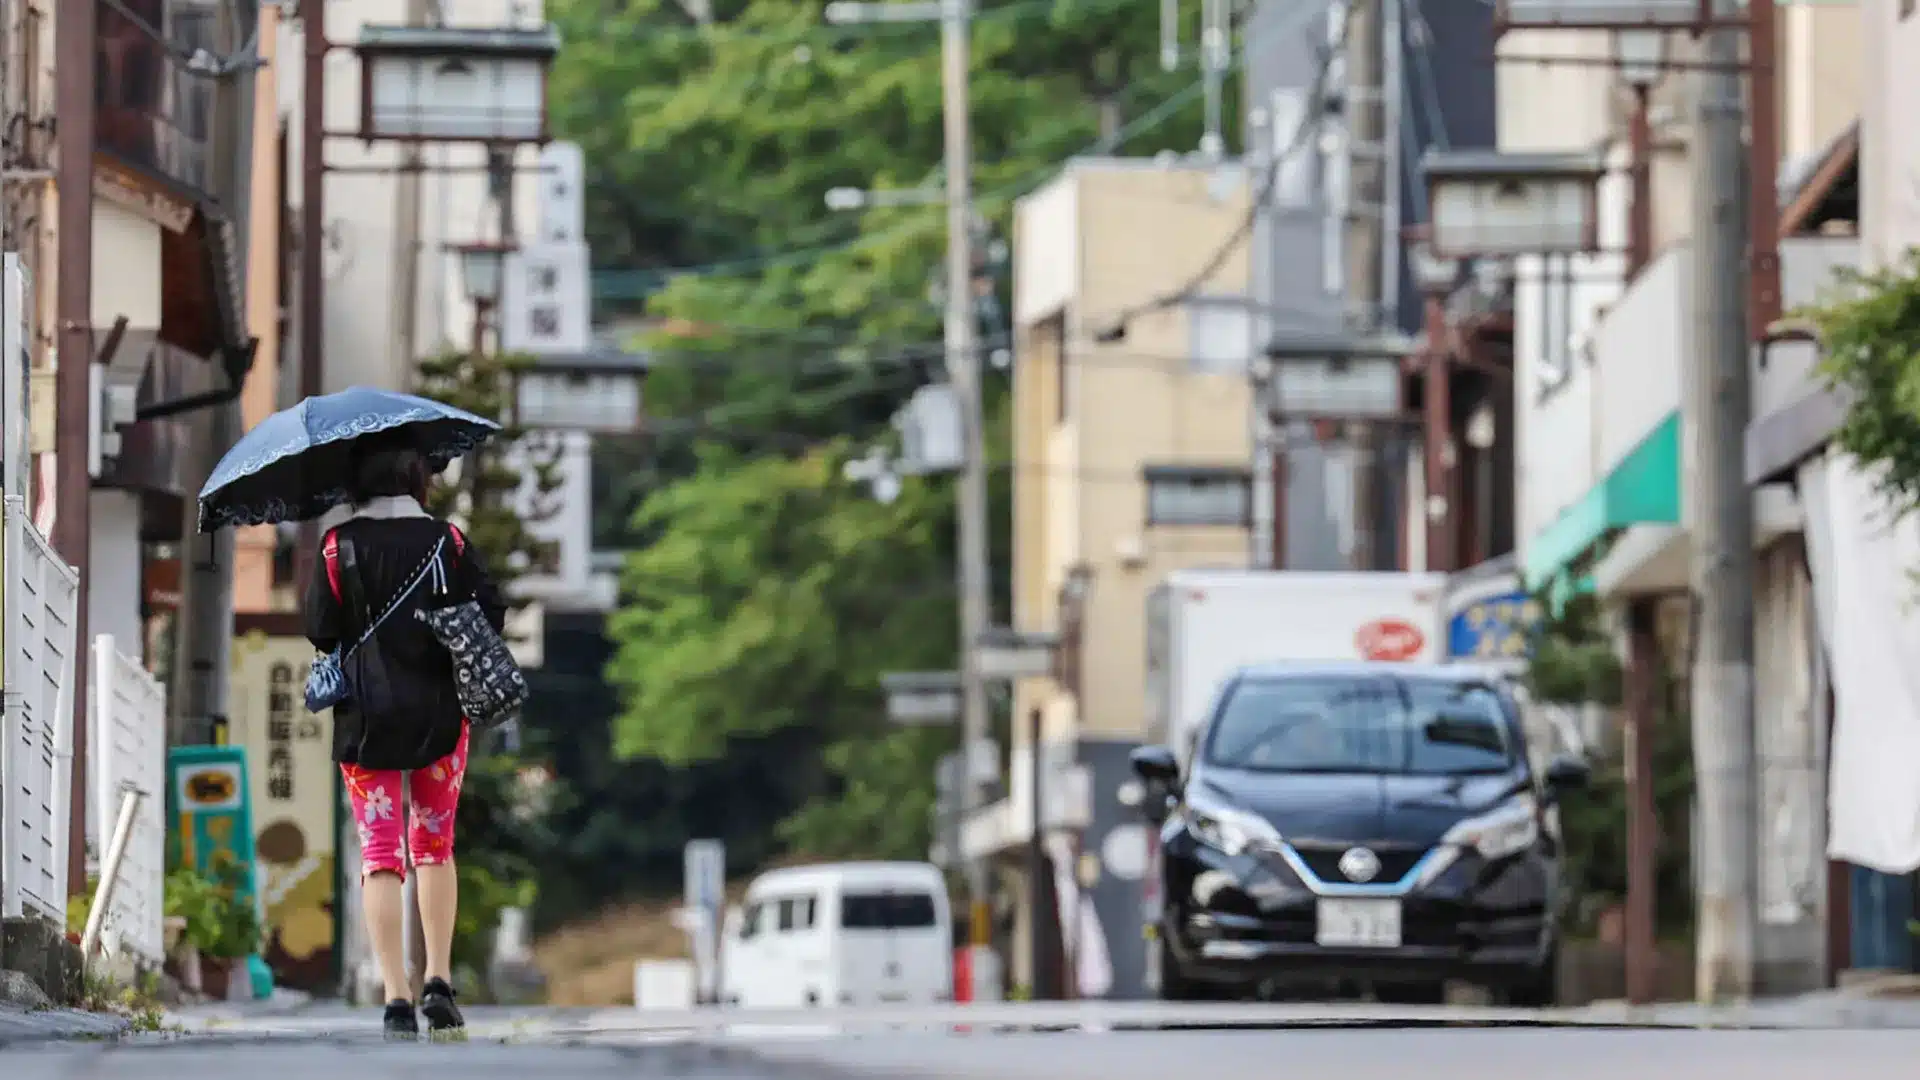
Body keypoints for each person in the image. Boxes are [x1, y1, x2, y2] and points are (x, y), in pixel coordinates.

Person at [304, 435, 506, 1036]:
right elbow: (490, 613)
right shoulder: (449, 542)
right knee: (434, 845)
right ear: (419, 478)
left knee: (380, 853)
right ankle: (438, 979)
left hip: (366, 717)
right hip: (440, 714)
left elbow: (320, 629)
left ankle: (396, 997)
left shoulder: (337, 546)